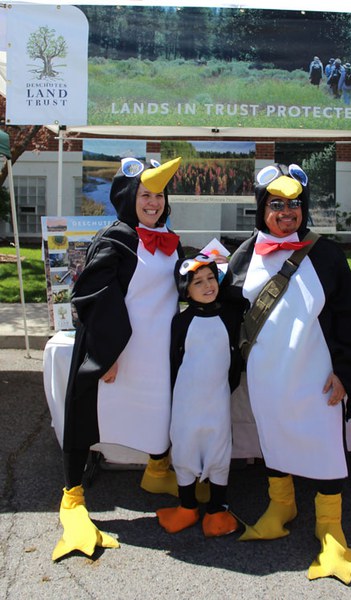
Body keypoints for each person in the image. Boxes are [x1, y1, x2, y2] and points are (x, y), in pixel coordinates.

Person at [222, 163, 351, 584]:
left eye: (294, 204)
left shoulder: (326, 254)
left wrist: (348, 372)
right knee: (274, 439)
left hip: (318, 378)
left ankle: (330, 528)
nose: (287, 212)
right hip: (266, 377)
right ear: (262, 209)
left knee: (324, 446)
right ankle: (282, 506)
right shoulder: (243, 255)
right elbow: (223, 313)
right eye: (277, 204)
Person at [52, 156, 185, 561]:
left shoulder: (169, 238)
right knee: (91, 418)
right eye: (146, 195)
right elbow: (93, 298)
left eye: (159, 196)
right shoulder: (116, 239)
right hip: (118, 354)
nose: (154, 203)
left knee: (160, 412)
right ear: (129, 197)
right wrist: (105, 354)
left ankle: (156, 472)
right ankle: (72, 500)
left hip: (155, 355)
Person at [156, 255, 241, 537]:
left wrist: (229, 384)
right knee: (185, 447)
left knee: (219, 447)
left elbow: (234, 355)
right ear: (185, 290)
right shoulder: (181, 322)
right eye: (198, 282)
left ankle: (217, 509)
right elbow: (173, 360)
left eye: (211, 279)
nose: (207, 286)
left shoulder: (230, 317)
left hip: (217, 401)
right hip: (186, 403)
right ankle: (187, 506)